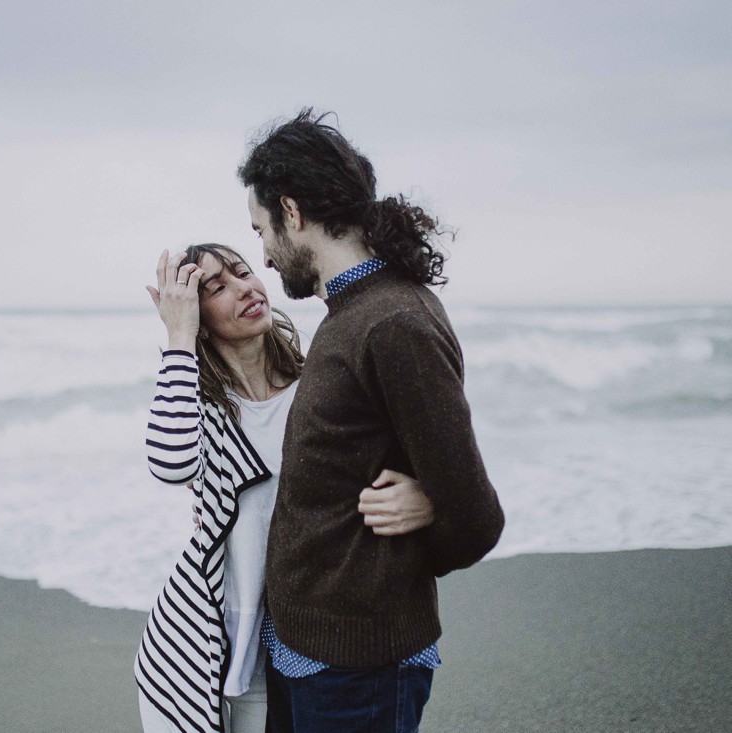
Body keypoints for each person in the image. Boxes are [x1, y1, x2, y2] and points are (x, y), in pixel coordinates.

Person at [236, 109, 506, 733]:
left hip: (360, 668)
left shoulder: (393, 323)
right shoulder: (351, 312)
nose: (266, 259)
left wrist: (431, 513)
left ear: (293, 213)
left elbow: (478, 519)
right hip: (312, 656)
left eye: (262, 231)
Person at [134, 243, 436, 733]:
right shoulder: (203, 405)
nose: (244, 289)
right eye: (216, 287)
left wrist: (428, 497)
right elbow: (170, 464)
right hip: (204, 636)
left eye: (243, 272)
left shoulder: (316, 384)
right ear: (197, 315)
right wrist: (179, 338)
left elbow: (405, 458)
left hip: (293, 636)